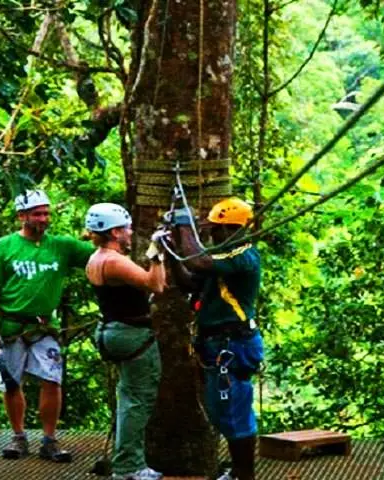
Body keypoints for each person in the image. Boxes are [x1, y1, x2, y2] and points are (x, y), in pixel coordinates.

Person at [0, 189, 95, 462]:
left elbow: (99, 255)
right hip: (11, 326)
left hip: (44, 327)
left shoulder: (62, 246)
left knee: (52, 380)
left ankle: (49, 440)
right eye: (37, 214)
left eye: (46, 213)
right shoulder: (4, 247)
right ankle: (18, 436)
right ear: (22, 216)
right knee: (10, 383)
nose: (44, 218)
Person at [167, 198, 263, 480]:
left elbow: (197, 261)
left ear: (231, 229)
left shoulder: (243, 254)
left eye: (216, 229)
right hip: (217, 345)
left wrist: (184, 223)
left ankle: (243, 475)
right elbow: (189, 279)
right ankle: (238, 472)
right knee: (223, 411)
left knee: (234, 412)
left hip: (233, 345)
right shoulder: (220, 258)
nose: (210, 234)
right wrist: (172, 252)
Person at [84, 203, 166, 480]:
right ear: (116, 232)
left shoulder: (96, 258)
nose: (131, 233)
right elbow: (155, 285)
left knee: (128, 397)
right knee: (137, 400)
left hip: (111, 330)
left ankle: (128, 463)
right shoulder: (114, 261)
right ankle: (129, 467)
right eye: (127, 229)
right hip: (131, 335)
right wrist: (157, 255)